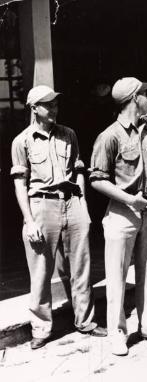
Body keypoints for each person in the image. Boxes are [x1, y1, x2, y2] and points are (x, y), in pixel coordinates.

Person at [11, 85, 106, 350]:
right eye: (47, 104)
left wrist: (83, 204)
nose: (53, 108)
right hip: (41, 206)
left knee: (81, 266)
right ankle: (41, 328)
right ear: (34, 108)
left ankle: (85, 320)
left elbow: (78, 170)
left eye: (55, 103)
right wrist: (29, 221)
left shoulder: (69, 134)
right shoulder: (22, 141)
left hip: (72, 204)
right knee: (41, 270)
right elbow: (20, 183)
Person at [90, 77, 147, 356]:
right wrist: (128, 199)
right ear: (134, 98)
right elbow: (97, 180)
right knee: (117, 276)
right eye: (144, 93)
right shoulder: (110, 136)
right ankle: (117, 333)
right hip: (122, 213)